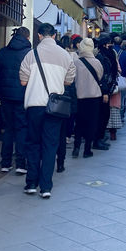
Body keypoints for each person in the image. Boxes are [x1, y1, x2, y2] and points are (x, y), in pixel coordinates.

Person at [19, 22, 75, 198]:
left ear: (39, 36)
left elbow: (23, 81)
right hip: (55, 107)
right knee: (50, 145)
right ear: (55, 36)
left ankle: (31, 184)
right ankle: (46, 187)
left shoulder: (31, 54)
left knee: (33, 143)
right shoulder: (65, 56)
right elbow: (69, 81)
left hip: (34, 105)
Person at [0, 26, 31, 175]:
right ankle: (21, 164)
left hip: (6, 97)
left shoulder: (3, 52)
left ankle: (5, 163)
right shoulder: (28, 53)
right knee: (22, 128)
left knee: (8, 129)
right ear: (27, 37)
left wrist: (0, 93)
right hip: (22, 96)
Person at [72, 37, 103, 158]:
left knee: (79, 122)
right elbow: (100, 77)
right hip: (94, 97)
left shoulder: (76, 62)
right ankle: (87, 149)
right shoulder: (97, 62)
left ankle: (76, 146)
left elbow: (72, 78)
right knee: (92, 123)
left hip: (79, 96)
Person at [56, 35, 78, 172]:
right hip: (64, 99)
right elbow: (70, 81)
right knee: (62, 131)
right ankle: (60, 163)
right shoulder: (68, 59)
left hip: (49, 101)